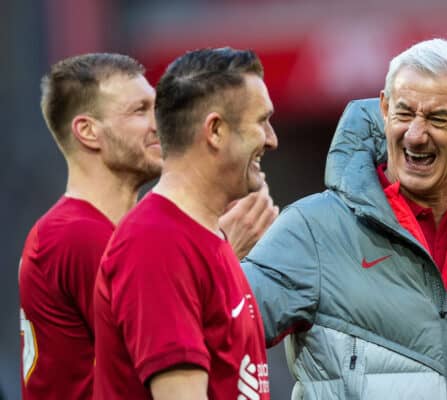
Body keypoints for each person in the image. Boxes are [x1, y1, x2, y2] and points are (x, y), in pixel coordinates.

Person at [242, 39, 447, 399]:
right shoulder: (312, 231)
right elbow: (219, 333)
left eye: (437, 118)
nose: (415, 135)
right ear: (383, 109)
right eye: (404, 113)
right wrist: (217, 248)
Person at [19, 53, 276, 400]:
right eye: (140, 110)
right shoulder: (80, 235)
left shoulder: (134, 231)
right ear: (88, 131)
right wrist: (217, 249)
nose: (158, 124)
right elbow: (154, 343)